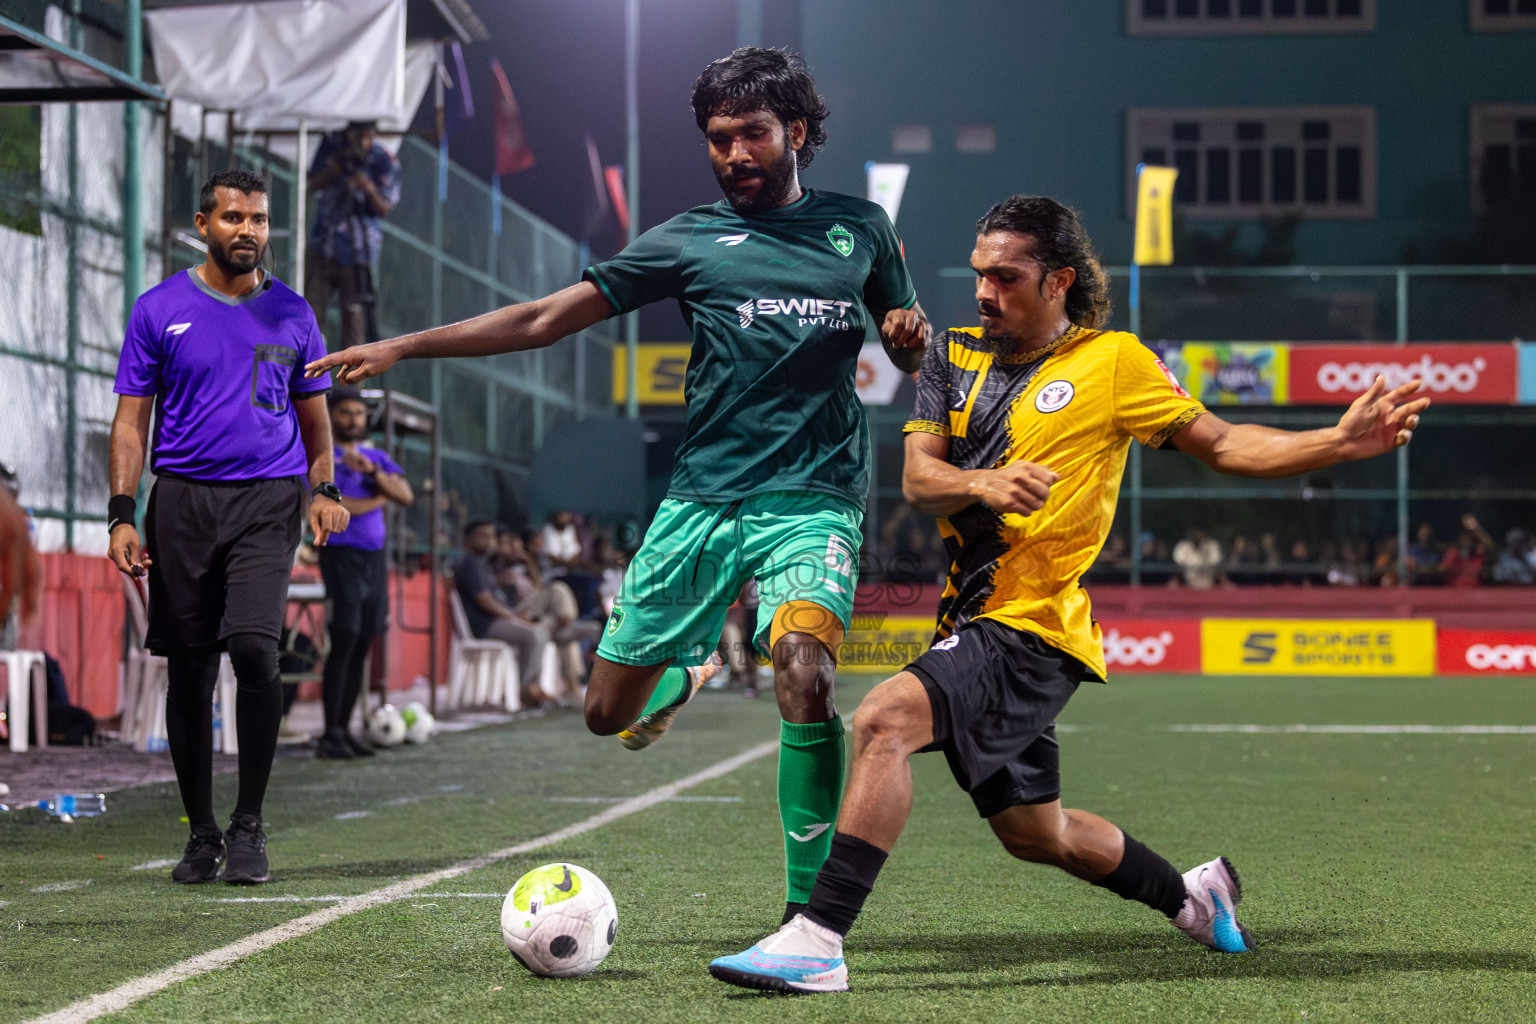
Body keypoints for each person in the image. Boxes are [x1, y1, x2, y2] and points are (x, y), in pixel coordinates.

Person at [709, 194, 1430, 993]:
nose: (984, 291)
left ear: (1057, 280)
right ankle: (1192, 896)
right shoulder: (952, 355)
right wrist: (983, 481)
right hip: (975, 617)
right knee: (1035, 832)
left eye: (1005, 277)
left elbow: (1223, 443)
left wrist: (1332, 440)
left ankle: (815, 938)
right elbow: (920, 476)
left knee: (884, 717)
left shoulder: (1114, 361)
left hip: (1036, 625)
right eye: (979, 274)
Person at [307, 47, 928, 924]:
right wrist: (405, 346)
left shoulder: (859, 228)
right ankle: (685, 671)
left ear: (796, 132)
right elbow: (544, 318)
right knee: (605, 715)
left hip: (814, 496)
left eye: (753, 134)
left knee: (803, 669)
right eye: (719, 140)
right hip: (701, 498)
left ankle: (808, 922)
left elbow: (905, 343)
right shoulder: (686, 240)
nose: (735, 155)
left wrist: (906, 338)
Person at [108, 170, 348, 886]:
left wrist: (325, 488)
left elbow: (318, 428)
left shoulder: (295, 314)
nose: (249, 230)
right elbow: (130, 423)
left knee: (253, 647)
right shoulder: (159, 309)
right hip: (180, 501)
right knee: (190, 668)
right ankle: (202, 834)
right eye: (235, 217)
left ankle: (249, 824)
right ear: (203, 223)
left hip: (267, 501)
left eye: (261, 220)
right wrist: (123, 512)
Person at [316, 386, 414, 759]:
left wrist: (372, 471)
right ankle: (330, 734)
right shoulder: (325, 459)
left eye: (358, 413)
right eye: (345, 413)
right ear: (332, 416)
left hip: (374, 559)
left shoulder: (376, 457)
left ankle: (345, 729)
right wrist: (379, 496)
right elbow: (343, 508)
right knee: (344, 637)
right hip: (341, 556)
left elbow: (405, 495)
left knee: (363, 640)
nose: (353, 419)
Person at [304, 121, 400, 348]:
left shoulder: (383, 159)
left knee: (355, 318)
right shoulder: (332, 147)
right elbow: (310, 183)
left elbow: (385, 206)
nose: (358, 143)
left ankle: (351, 382)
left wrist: (367, 188)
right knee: (310, 314)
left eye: (364, 136)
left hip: (359, 252)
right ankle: (306, 376)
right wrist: (332, 171)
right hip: (323, 243)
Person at [452, 522, 556, 708]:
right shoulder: (471, 563)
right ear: (468, 540)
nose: (489, 541)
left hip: (497, 621)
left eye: (492, 536)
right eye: (483, 536)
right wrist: (513, 618)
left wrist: (516, 615)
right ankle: (527, 690)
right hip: (484, 625)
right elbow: (484, 601)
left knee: (540, 630)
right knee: (532, 634)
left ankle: (534, 685)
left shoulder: (483, 564)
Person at [497, 529, 600, 702]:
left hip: (536, 615)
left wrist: (528, 561)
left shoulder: (524, 567)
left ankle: (572, 685)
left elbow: (536, 588)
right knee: (557, 589)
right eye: (510, 546)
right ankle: (568, 622)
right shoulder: (498, 568)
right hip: (517, 615)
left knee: (565, 636)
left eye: (518, 547)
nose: (515, 550)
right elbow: (507, 601)